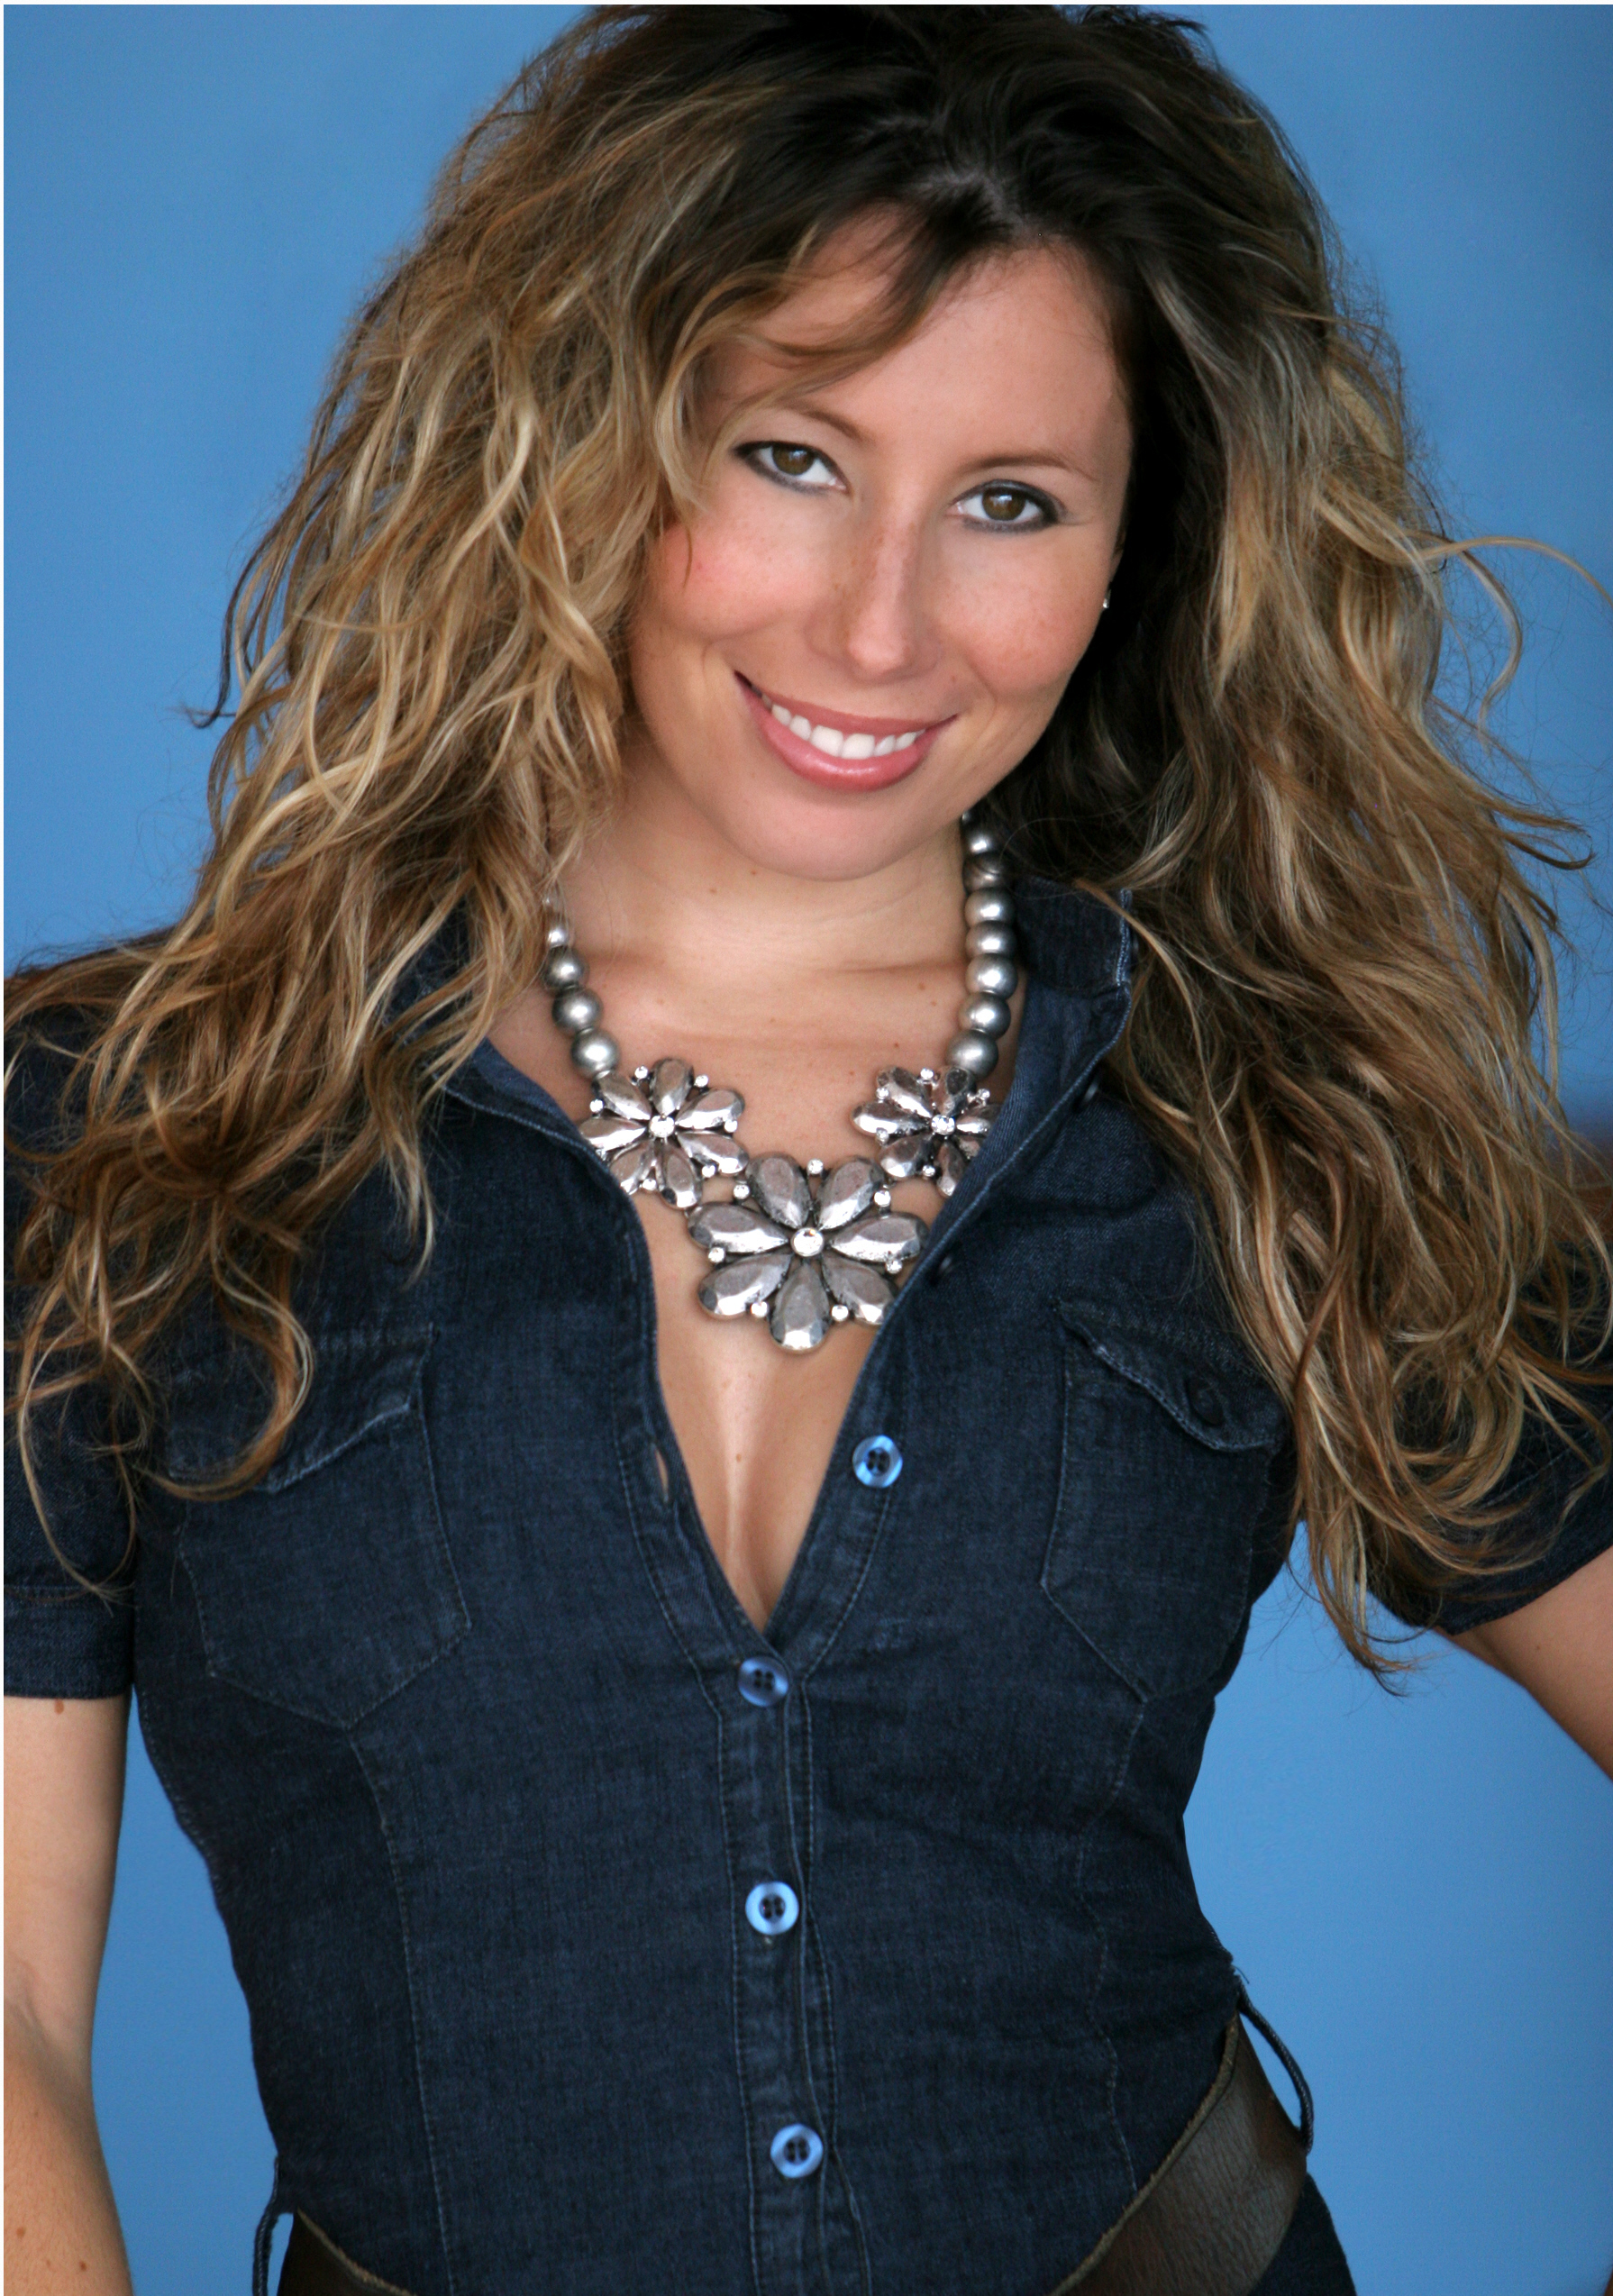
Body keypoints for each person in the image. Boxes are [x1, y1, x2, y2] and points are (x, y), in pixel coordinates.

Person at [6, 8, 1611, 2293]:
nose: (880, 621)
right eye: (789, 455)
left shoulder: (1273, 1104)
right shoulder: (126, 1125)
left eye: (1009, 502)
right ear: (581, 451)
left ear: (1139, 549)